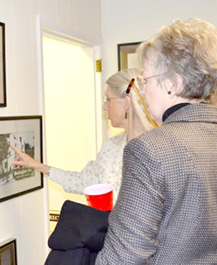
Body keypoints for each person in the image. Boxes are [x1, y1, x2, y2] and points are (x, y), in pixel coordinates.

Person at [95, 18, 217, 265]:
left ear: (173, 84)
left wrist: (90, 260)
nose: (142, 92)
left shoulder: (149, 150)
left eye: (146, 80)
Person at [12, 68, 157, 203]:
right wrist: (37, 165)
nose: (105, 106)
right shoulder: (111, 148)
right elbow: (82, 181)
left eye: (108, 100)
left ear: (126, 103)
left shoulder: (159, 148)